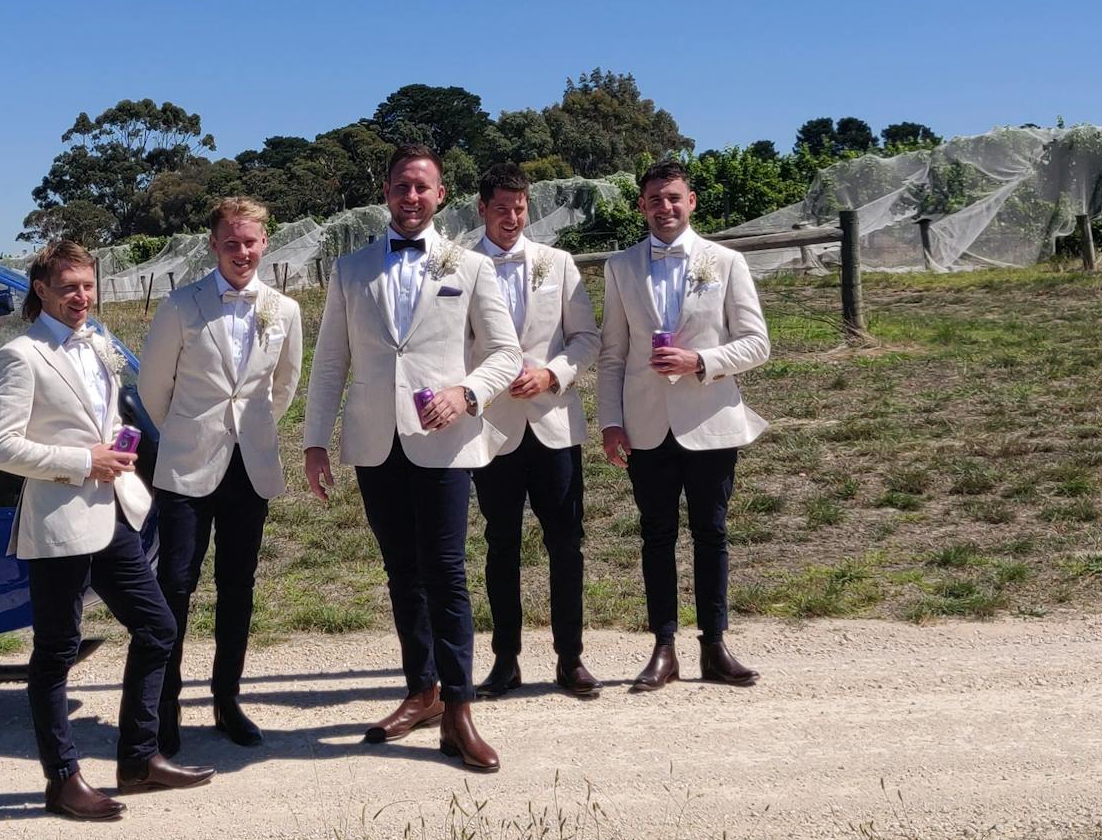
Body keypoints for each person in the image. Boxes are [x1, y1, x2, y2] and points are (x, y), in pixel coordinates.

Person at [303, 144, 522, 772]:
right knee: (402, 572)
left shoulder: (470, 266)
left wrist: (466, 393)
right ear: (386, 191)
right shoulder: (350, 269)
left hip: (444, 441)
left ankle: (459, 708)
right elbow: (330, 362)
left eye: (423, 187)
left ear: (441, 195)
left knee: (446, 573)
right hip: (376, 442)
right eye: (402, 185)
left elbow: (505, 354)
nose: (412, 196)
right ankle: (421, 691)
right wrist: (315, 440)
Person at [0, 240, 214, 820]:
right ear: (41, 290)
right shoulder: (20, 356)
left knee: (158, 627)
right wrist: (83, 461)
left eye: (88, 285)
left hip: (113, 513)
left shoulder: (97, 342)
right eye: (69, 287)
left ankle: (139, 759)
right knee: (57, 650)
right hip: (59, 522)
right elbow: (0, 447)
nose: (81, 297)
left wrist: (115, 448)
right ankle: (62, 779)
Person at [597, 159, 770, 693]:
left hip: (710, 420)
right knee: (656, 536)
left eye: (673, 197)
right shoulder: (620, 266)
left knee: (711, 533)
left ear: (690, 201)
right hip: (645, 425)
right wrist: (610, 422)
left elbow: (757, 344)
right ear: (641, 206)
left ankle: (715, 646)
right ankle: (663, 648)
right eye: (654, 199)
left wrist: (701, 361)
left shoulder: (727, 261)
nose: (664, 207)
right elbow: (612, 354)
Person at [137, 196, 303, 753]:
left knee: (238, 587)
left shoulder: (284, 310)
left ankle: (227, 700)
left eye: (250, 241)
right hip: (188, 464)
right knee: (175, 586)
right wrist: (189, 431)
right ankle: (164, 707)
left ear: (265, 242)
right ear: (213, 244)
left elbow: (284, 385)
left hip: (249, 465)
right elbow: (153, 387)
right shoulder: (180, 305)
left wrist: (248, 430)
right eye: (231, 242)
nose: (241, 251)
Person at [469, 163, 602, 700]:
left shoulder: (559, 262)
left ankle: (571, 659)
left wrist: (552, 374)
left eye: (520, 208)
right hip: (492, 427)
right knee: (500, 545)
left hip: (554, 424)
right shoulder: (458, 266)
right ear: (481, 209)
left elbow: (586, 339)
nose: (512, 218)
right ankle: (506, 661)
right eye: (501, 208)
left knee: (566, 543)